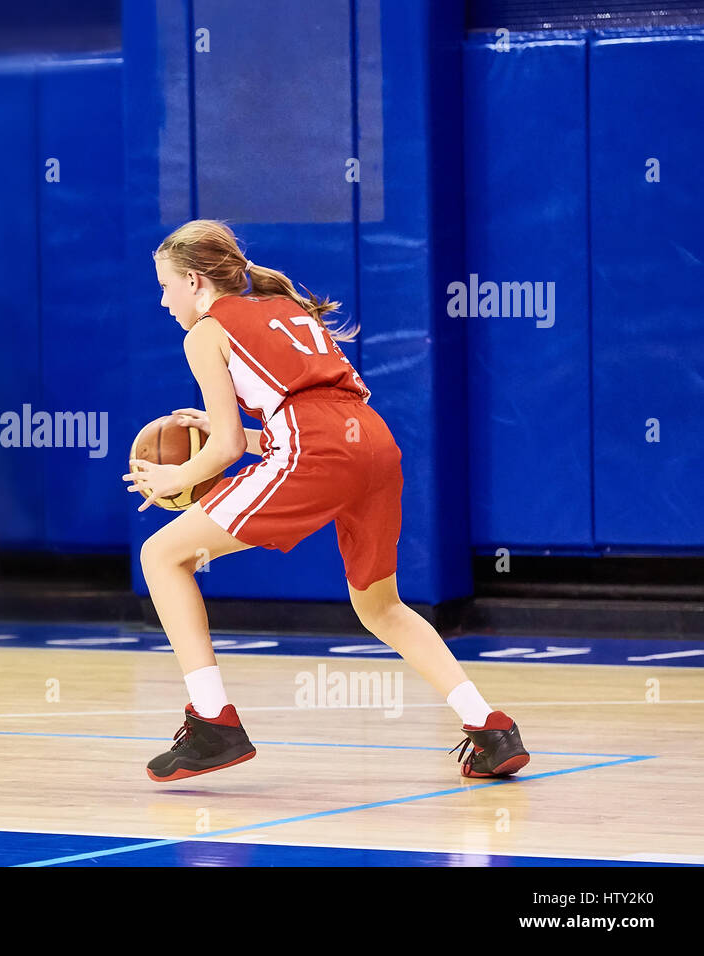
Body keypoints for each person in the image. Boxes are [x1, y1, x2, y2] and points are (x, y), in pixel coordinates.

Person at [125, 219, 529, 782]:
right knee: (380, 606)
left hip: (315, 451)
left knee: (160, 555)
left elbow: (225, 448)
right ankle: (489, 729)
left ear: (194, 281)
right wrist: (241, 436)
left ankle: (213, 722)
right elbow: (306, 417)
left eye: (166, 285)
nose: (163, 300)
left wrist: (173, 480)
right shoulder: (285, 308)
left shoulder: (205, 332)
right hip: (373, 444)